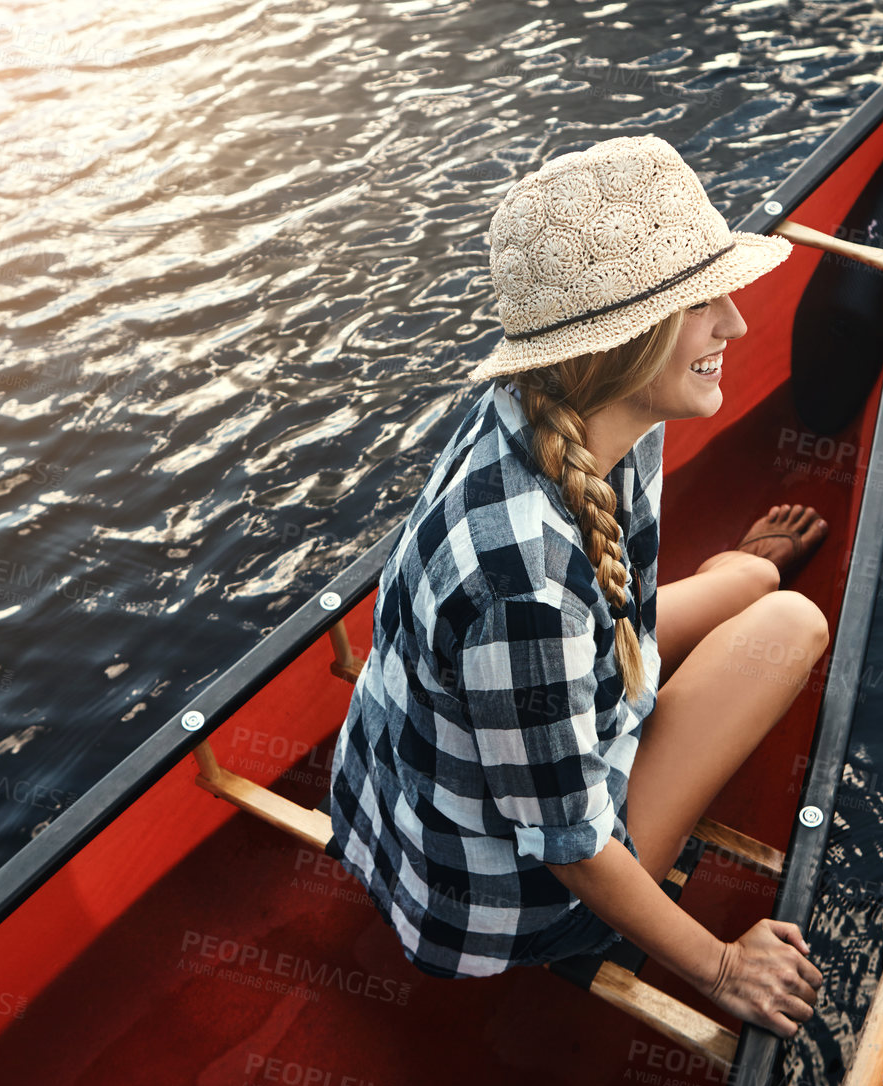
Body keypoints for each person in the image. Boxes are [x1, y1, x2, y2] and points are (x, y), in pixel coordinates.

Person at [325, 134, 828, 1039]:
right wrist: (720, 964)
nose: (736, 326)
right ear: (625, 340)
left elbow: (608, 615)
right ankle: (750, 580)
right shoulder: (525, 585)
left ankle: (743, 570)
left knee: (752, 578)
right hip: (497, 896)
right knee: (788, 622)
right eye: (701, 304)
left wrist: (732, 577)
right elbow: (569, 843)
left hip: (445, 774)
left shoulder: (566, 405)